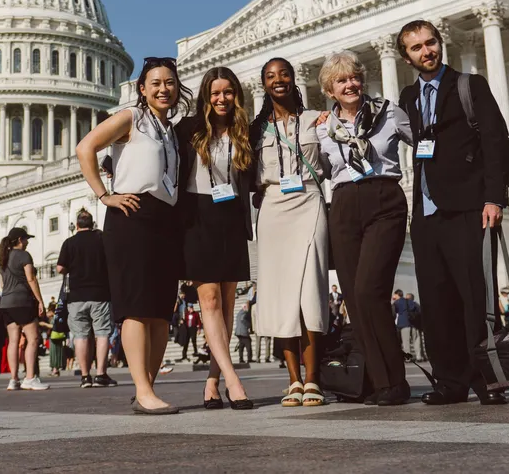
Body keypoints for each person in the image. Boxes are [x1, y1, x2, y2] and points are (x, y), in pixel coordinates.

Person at [397, 19, 509, 406]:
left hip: (469, 207)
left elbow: (497, 141)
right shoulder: (408, 98)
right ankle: (450, 382)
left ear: (439, 43)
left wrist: (494, 197)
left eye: (431, 43)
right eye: (416, 47)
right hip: (427, 213)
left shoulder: (469, 85)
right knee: (436, 300)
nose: (426, 51)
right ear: (406, 56)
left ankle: (488, 380)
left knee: (474, 299)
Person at [76, 56, 193, 415]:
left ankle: (149, 389)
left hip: (165, 219)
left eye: (169, 82)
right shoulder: (130, 118)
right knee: (137, 310)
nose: (163, 89)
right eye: (155, 83)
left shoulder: (170, 131)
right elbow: (85, 148)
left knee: (160, 311)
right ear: (142, 89)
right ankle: (142, 389)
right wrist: (104, 195)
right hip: (132, 215)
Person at [317, 50, 414, 406]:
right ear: (330, 88)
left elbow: (424, 145)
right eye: (341, 80)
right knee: (356, 301)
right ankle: (373, 380)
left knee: (370, 290)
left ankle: (394, 381)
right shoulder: (324, 128)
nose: (350, 84)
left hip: (384, 199)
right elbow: (319, 171)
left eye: (354, 77)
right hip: (343, 205)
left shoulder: (389, 113)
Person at [250, 57, 329, 408]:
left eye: (283, 74)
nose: (278, 80)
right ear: (263, 84)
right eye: (270, 76)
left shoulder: (317, 120)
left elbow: (333, 162)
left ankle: (313, 378)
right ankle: (293, 379)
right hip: (272, 207)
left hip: (309, 200)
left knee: (309, 289)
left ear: (294, 79)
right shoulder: (254, 130)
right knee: (281, 296)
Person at [176, 66, 254, 410]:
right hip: (198, 216)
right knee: (208, 302)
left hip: (231, 215)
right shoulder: (188, 129)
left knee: (225, 305)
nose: (221, 99)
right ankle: (234, 381)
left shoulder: (242, 131)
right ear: (206, 97)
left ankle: (212, 381)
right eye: (215, 93)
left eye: (228, 92)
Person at [57, 209, 118, 389]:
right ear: (92, 224)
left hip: (76, 296)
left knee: (81, 336)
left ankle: (85, 376)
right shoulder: (101, 239)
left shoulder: (69, 243)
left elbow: (60, 268)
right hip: (100, 294)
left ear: (77, 225)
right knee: (102, 334)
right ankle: (101, 374)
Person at [0, 227, 50, 390]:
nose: (27, 242)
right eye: (26, 239)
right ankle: (29, 377)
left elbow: (2, 284)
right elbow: (31, 278)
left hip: (6, 303)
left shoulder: (3, 259)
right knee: (33, 338)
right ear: (20, 240)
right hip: (22, 301)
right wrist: (40, 301)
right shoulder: (24, 255)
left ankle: (13, 379)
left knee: (13, 341)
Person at [393, 290, 422, 364]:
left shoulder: (397, 302)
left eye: (394, 295)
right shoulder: (411, 302)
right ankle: (419, 357)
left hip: (404, 324)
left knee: (406, 343)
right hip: (414, 324)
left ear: (397, 294)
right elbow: (419, 310)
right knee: (416, 341)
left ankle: (408, 358)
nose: (393, 297)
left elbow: (393, 312)